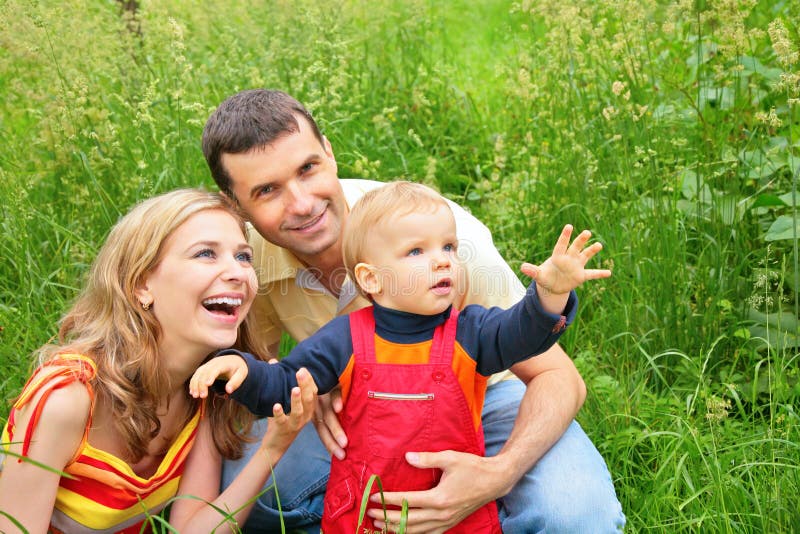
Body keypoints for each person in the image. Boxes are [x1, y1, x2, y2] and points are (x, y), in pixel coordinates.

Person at [202, 89, 626, 533]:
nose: (303, 204)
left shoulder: (439, 241)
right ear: (235, 203)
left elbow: (558, 376)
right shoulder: (247, 259)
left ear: (329, 153)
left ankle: (480, 506)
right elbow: (265, 369)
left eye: (308, 169)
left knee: (577, 517)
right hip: (364, 414)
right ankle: (393, 508)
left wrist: (500, 472)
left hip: (483, 395)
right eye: (267, 190)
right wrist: (313, 388)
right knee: (246, 486)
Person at [0, 189, 318, 534]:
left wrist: (273, 448)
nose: (238, 273)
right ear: (141, 285)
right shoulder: (68, 398)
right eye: (206, 254)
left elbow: (191, 530)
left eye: (243, 257)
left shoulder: (208, 389)